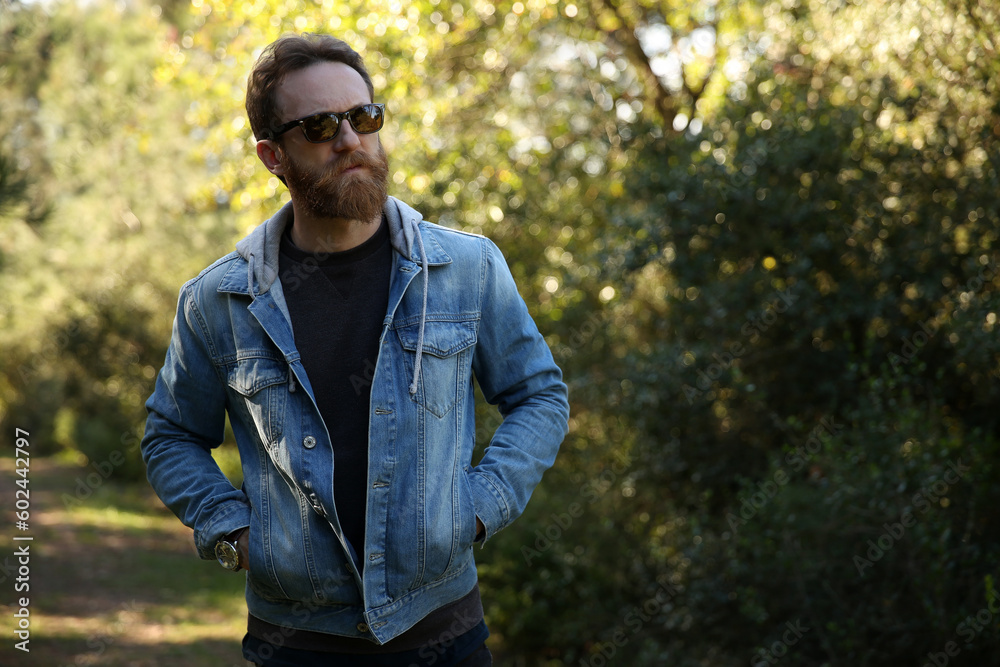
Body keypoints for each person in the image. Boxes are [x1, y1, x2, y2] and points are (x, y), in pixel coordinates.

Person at [140, 33, 569, 667]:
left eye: (364, 117)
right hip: (295, 644)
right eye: (318, 127)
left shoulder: (467, 268)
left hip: (443, 634)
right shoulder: (218, 301)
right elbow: (170, 434)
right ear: (272, 155)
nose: (350, 140)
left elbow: (539, 396)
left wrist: (475, 511)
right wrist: (232, 532)